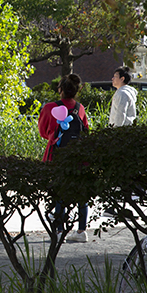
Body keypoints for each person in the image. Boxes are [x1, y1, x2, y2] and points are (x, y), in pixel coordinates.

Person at [38, 73, 90, 243]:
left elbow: (43, 132)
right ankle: (82, 231)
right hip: (78, 156)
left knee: (58, 191)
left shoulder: (49, 108)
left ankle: (59, 231)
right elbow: (86, 130)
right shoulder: (80, 108)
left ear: (60, 89)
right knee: (81, 191)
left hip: (56, 154)